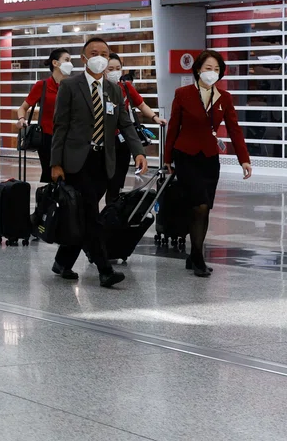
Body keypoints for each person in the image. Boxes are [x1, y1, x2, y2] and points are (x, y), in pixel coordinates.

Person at [50, 37, 148, 288]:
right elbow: (60, 127)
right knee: (92, 215)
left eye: (104, 53)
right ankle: (105, 270)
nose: (100, 57)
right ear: (84, 58)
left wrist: (139, 151)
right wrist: (55, 163)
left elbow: (125, 123)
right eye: (94, 53)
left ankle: (62, 262)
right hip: (76, 161)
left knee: (83, 215)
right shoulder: (70, 86)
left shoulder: (115, 89)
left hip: (103, 162)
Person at [164, 50, 252, 278]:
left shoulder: (224, 97)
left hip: (210, 159)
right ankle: (199, 258)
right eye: (207, 68)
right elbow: (173, 127)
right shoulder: (182, 93)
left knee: (204, 208)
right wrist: (166, 158)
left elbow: (234, 129)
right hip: (186, 156)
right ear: (197, 70)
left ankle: (194, 256)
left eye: (216, 69)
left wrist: (244, 159)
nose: (211, 73)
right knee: (199, 204)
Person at [104, 52, 167, 204]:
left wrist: (155, 117)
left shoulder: (125, 87)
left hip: (122, 138)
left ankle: (111, 207)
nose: (114, 72)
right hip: (103, 140)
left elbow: (141, 104)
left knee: (117, 179)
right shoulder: (98, 88)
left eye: (118, 68)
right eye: (110, 68)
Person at [16, 48, 73, 183]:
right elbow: (23, 108)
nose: (70, 64)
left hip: (69, 137)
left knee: (69, 176)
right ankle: (48, 202)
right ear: (55, 63)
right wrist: (21, 119)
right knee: (50, 174)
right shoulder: (43, 85)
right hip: (48, 137)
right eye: (67, 60)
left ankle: (66, 202)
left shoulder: (72, 86)